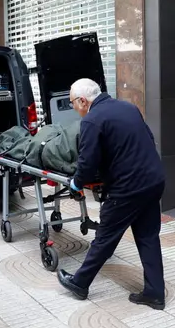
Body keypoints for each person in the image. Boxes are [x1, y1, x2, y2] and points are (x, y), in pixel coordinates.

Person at [56, 78, 166, 310]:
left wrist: (76, 182)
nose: (74, 108)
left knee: (105, 238)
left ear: (83, 101)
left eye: (73, 103)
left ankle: (80, 283)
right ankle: (155, 293)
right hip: (153, 180)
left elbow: (87, 163)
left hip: (127, 188)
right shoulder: (128, 107)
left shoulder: (92, 120)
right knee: (148, 237)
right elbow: (147, 139)